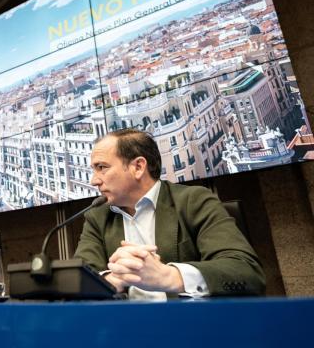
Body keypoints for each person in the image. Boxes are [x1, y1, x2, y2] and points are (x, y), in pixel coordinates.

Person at [74, 128, 266, 299]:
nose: (94, 181)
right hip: (125, 329)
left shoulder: (194, 201)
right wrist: (109, 279)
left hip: (190, 328)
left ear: (138, 167)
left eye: (101, 168)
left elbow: (246, 271)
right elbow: (77, 279)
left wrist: (168, 276)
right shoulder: (97, 216)